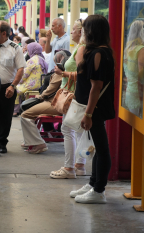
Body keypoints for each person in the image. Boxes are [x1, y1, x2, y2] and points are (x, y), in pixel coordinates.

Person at [70, 15, 115, 204]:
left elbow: (96, 86)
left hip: (95, 107)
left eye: (85, 28)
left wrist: (88, 114)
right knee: (96, 147)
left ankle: (98, 190)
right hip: (95, 106)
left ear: (92, 31)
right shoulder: (101, 51)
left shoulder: (98, 53)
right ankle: (93, 184)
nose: (83, 32)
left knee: (102, 149)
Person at [50, 19, 87, 178]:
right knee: (76, 130)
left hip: (73, 94)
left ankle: (69, 167)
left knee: (67, 128)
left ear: (80, 32)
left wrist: (62, 74)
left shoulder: (81, 49)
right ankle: (79, 165)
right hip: (75, 93)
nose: (70, 32)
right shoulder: (80, 47)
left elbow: (82, 75)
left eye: (73, 30)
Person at [20, 51, 69, 154]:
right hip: (55, 101)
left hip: (54, 103)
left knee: (25, 115)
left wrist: (40, 97)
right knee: (28, 111)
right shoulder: (62, 71)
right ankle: (31, 140)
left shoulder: (60, 72)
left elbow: (50, 90)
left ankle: (38, 143)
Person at [0, 20, 26, 155]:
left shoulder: (15, 48)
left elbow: (20, 69)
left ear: (3, 33)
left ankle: (2, 142)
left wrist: (13, 86)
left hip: (8, 87)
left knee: (5, 117)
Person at [13, 42, 48, 116]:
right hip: (41, 85)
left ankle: (15, 110)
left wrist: (18, 81)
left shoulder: (32, 60)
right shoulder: (42, 59)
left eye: (28, 50)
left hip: (32, 85)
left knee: (15, 88)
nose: (28, 52)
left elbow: (24, 74)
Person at [122, 20, 144, 118]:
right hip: (138, 92)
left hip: (130, 91)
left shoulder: (128, 49)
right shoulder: (141, 49)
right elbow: (141, 73)